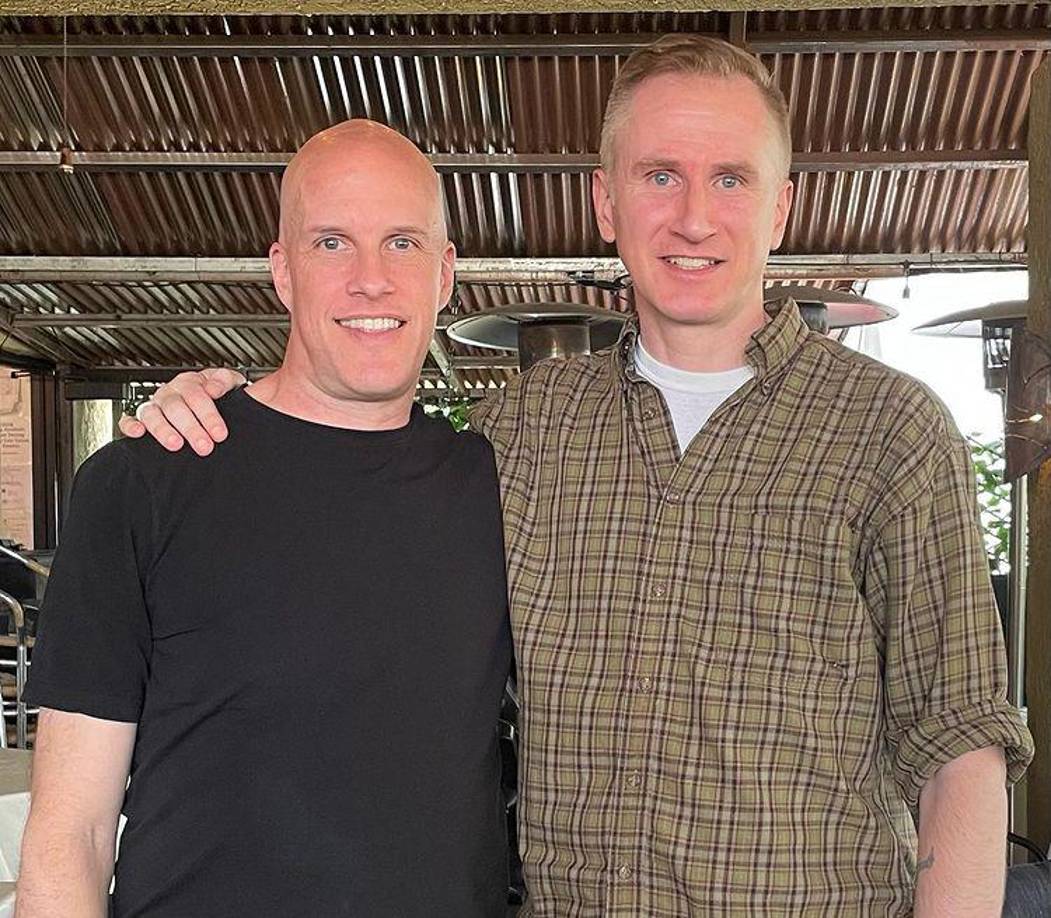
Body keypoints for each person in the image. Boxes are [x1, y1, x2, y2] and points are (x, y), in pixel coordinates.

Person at [120, 36, 1032, 916]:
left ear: (780, 208)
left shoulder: (889, 431)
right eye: (658, 176)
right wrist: (222, 409)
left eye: (729, 178)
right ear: (605, 204)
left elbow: (958, 741)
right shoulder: (523, 430)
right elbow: (350, 466)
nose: (692, 217)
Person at [18, 121, 512, 917]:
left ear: (445, 272)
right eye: (330, 244)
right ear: (281, 271)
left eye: (402, 243)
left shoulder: (496, 490)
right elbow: (68, 834)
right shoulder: (145, 480)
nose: (370, 280)